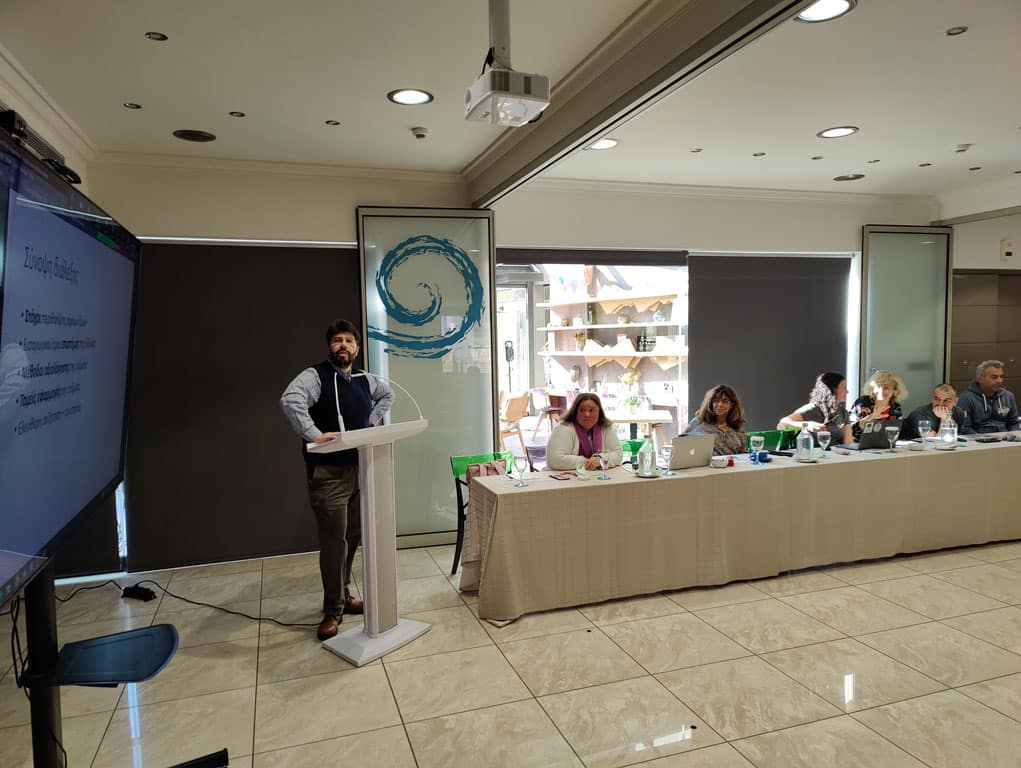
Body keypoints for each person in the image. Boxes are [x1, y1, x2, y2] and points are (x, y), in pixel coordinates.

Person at [280, 319, 395, 641]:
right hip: (328, 474)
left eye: (349, 341)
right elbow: (290, 400)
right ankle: (332, 610)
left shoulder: (364, 379)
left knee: (353, 535)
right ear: (330, 346)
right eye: (337, 340)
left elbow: (388, 395)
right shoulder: (315, 376)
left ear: (357, 348)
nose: (343, 345)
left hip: (359, 469)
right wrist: (314, 434)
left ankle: (343, 595)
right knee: (334, 543)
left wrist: (368, 423)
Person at [546, 392, 622, 471]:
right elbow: (554, 460)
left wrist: (599, 459)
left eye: (591, 410)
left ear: (599, 412)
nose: (587, 414)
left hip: (596, 476)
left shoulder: (606, 427)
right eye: (582, 410)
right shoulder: (563, 427)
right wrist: (589, 462)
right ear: (575, 412)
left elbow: (618, 454)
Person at [777, 371, 852, 446]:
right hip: (811, 452)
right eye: (844, 388)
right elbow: (782, 424)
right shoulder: (812, 409)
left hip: (835, 452)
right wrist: (807, 425)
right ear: (832, 389)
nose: (847, 392)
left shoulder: (843, 413)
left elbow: (848, 443)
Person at [957, 360, 1020, 433]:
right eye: (994, 377)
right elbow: (965, 428)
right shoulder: (966, 398)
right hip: (979, 438)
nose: (999, 381)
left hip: (1005, 438)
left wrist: (1013, 436)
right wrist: (982, 439)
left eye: (1001, 377)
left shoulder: (1008, 396)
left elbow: (1014, 424)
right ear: (980, 379)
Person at [684, 384, 748, 455]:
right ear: (710, 403)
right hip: (705, 462)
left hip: (733, 462)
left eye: (724, 401)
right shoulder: (699, 423)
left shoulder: (738, 429)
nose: (720, 404)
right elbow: (681, 444)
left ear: (731, 405)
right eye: (716, 401)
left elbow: (745, 454)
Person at [901, 383, 973, 440]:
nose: (940, 404)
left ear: (955, 401)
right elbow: (933, 441)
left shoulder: (959, 413)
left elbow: (958, 438)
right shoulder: (919, 414)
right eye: (937, 399)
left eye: (946, 400)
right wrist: (944, 419)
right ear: (932, 398)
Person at [850, 370, 906, 442]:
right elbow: (852, 430)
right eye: (878, 386)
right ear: (872, 389)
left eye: (886, 388)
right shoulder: (863, 402)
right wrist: (871, 417)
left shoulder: (895, 406)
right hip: (858, 444)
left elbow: (896, 432)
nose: (881, 391)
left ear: (894, 390)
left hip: (884, 445)